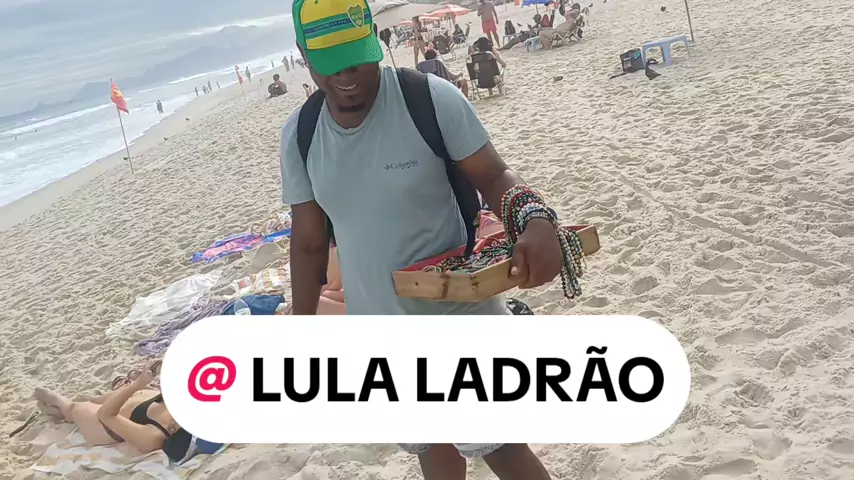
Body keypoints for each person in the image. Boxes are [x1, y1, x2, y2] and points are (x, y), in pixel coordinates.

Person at [282, 0, 560, 478]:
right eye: (330, 63)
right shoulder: (302, 135)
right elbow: (308, 243)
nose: (346, 75)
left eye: (355, 58)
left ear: (373, 40)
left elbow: (492, 174)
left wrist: (534, 220)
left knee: (502, 449)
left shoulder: (428, 100)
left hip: (461, 321)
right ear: (303, 55)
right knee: (432, 448)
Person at [31, 361, 198, 462]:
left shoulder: (153, 437)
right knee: (93, 400)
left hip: (103, 425)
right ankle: (64, 412)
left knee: (76, 407)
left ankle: (61, 405)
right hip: (130, 401)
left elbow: (106, 415)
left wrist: (136, 385)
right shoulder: (177, 405)